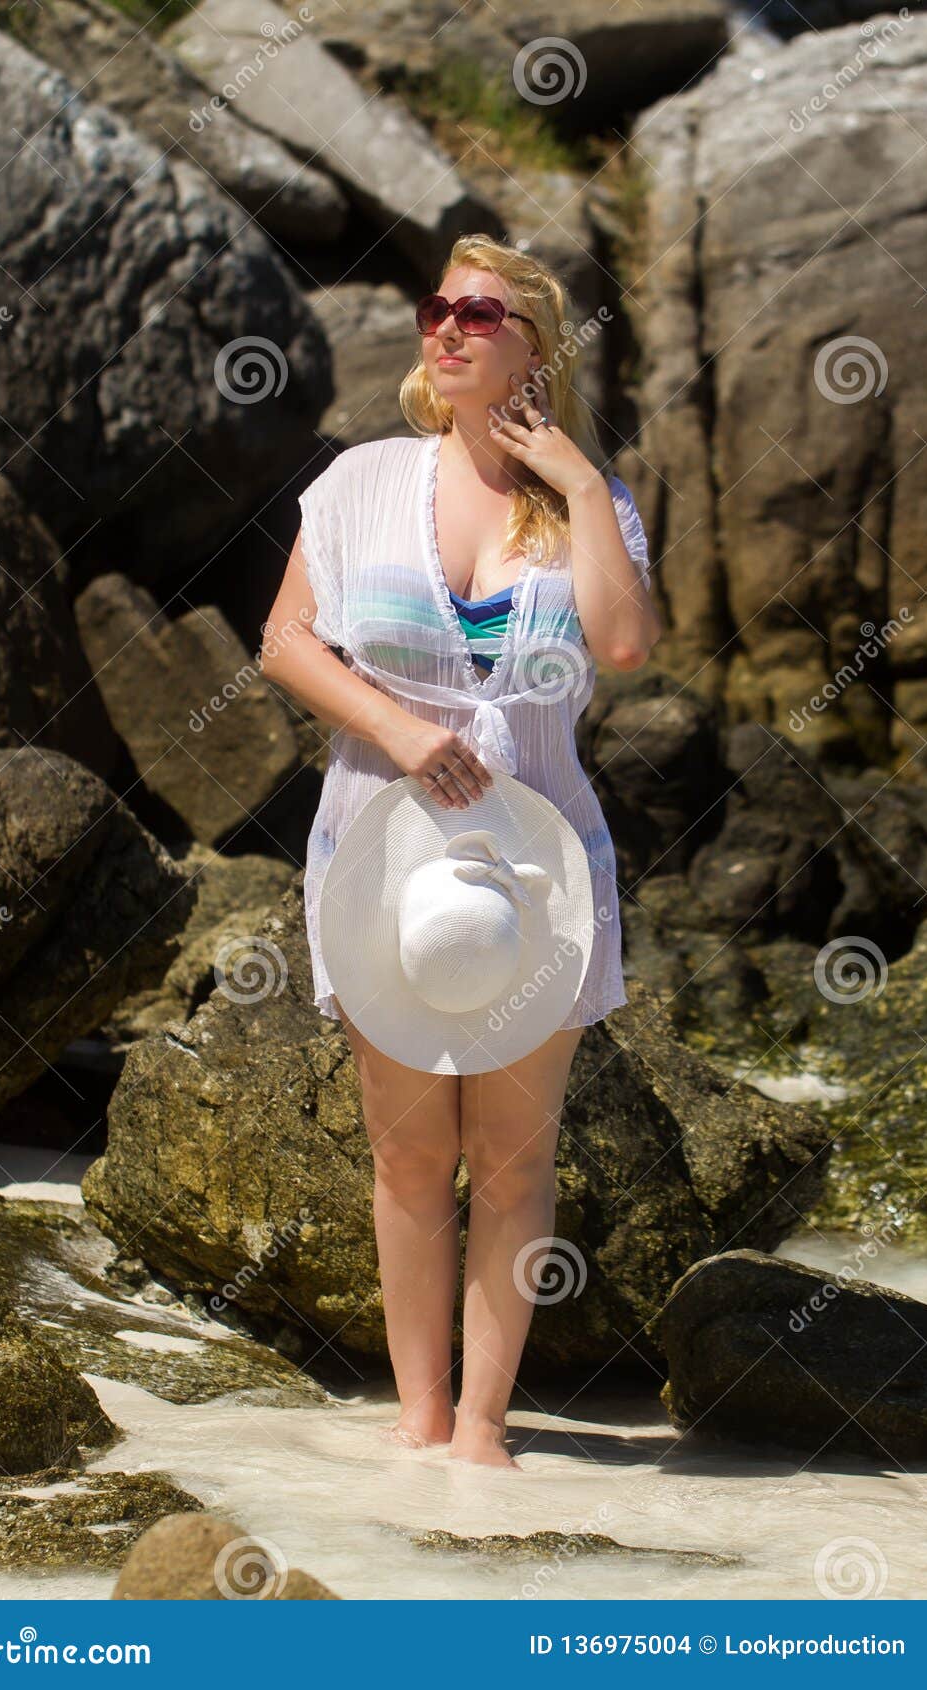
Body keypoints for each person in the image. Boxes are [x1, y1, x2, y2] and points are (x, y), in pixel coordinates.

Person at [260, 234, 660, 1469]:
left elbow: (625, 645)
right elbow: (285, 640)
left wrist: (582, 487)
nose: (448, 327)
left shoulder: (591, 500)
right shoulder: (360, 483)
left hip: (537, 865)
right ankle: (417, 1418)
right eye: (438, 306)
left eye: (481, 313)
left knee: (509, 1153)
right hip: (382, 854)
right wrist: (396, 727)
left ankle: (482, 1430)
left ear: (535, 345)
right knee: (410, 1148)